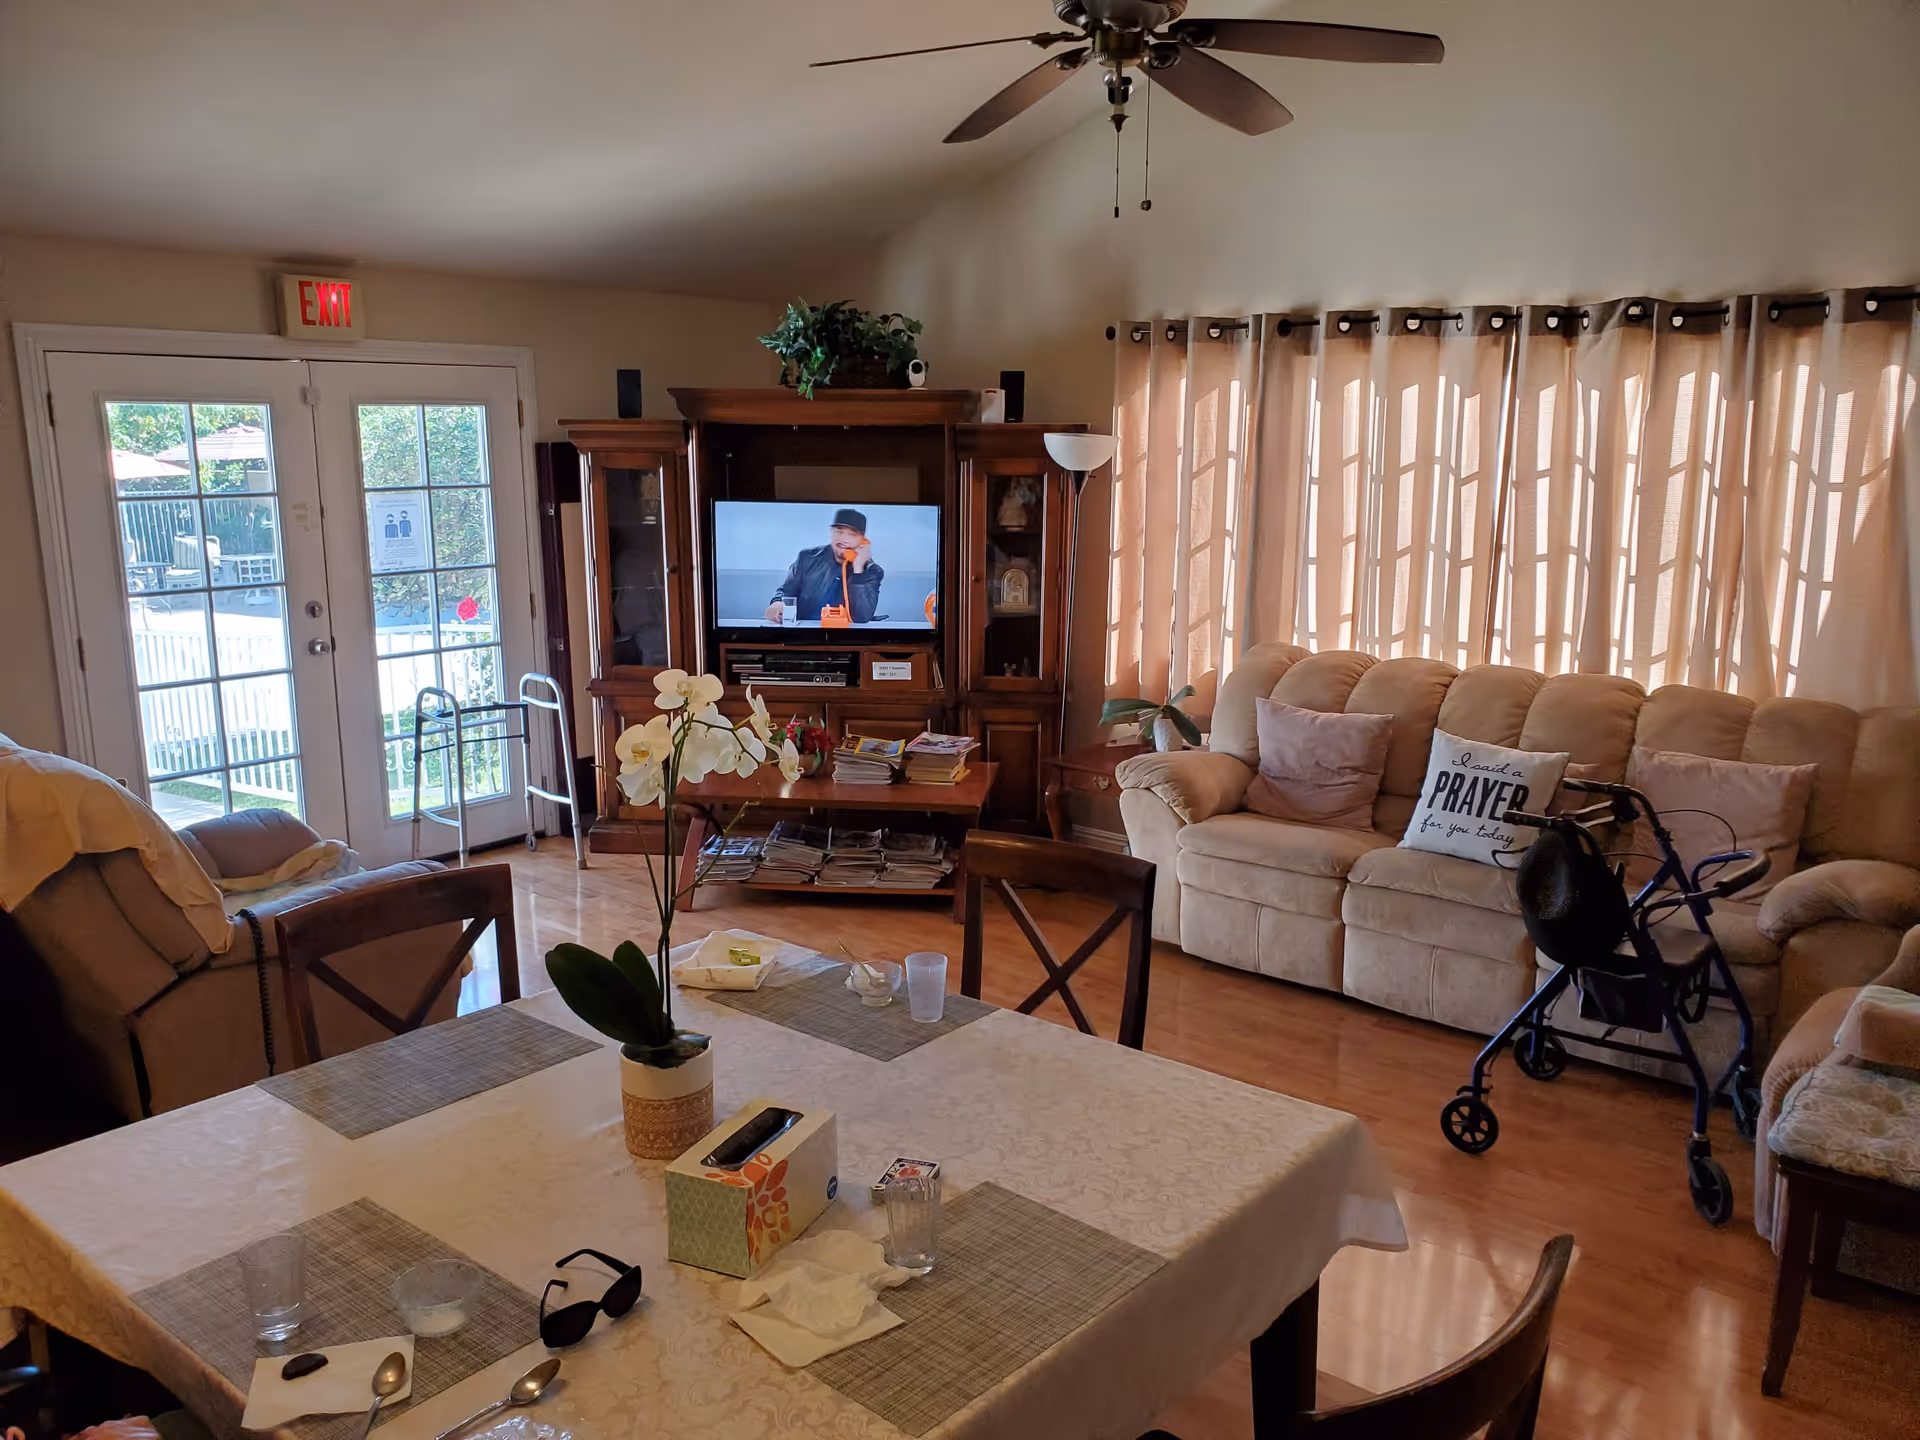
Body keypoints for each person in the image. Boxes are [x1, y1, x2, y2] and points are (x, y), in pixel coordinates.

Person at [764, 508, 885, 623]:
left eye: (852, 535)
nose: (844, 539)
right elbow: (787, 592)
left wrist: (858, 570)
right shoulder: (807, 558)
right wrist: (778, 603)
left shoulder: (873, 571)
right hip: (807, 633)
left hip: (847, 637)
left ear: (862, 541)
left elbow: (862, 617)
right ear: (831, 532)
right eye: (839, 532)